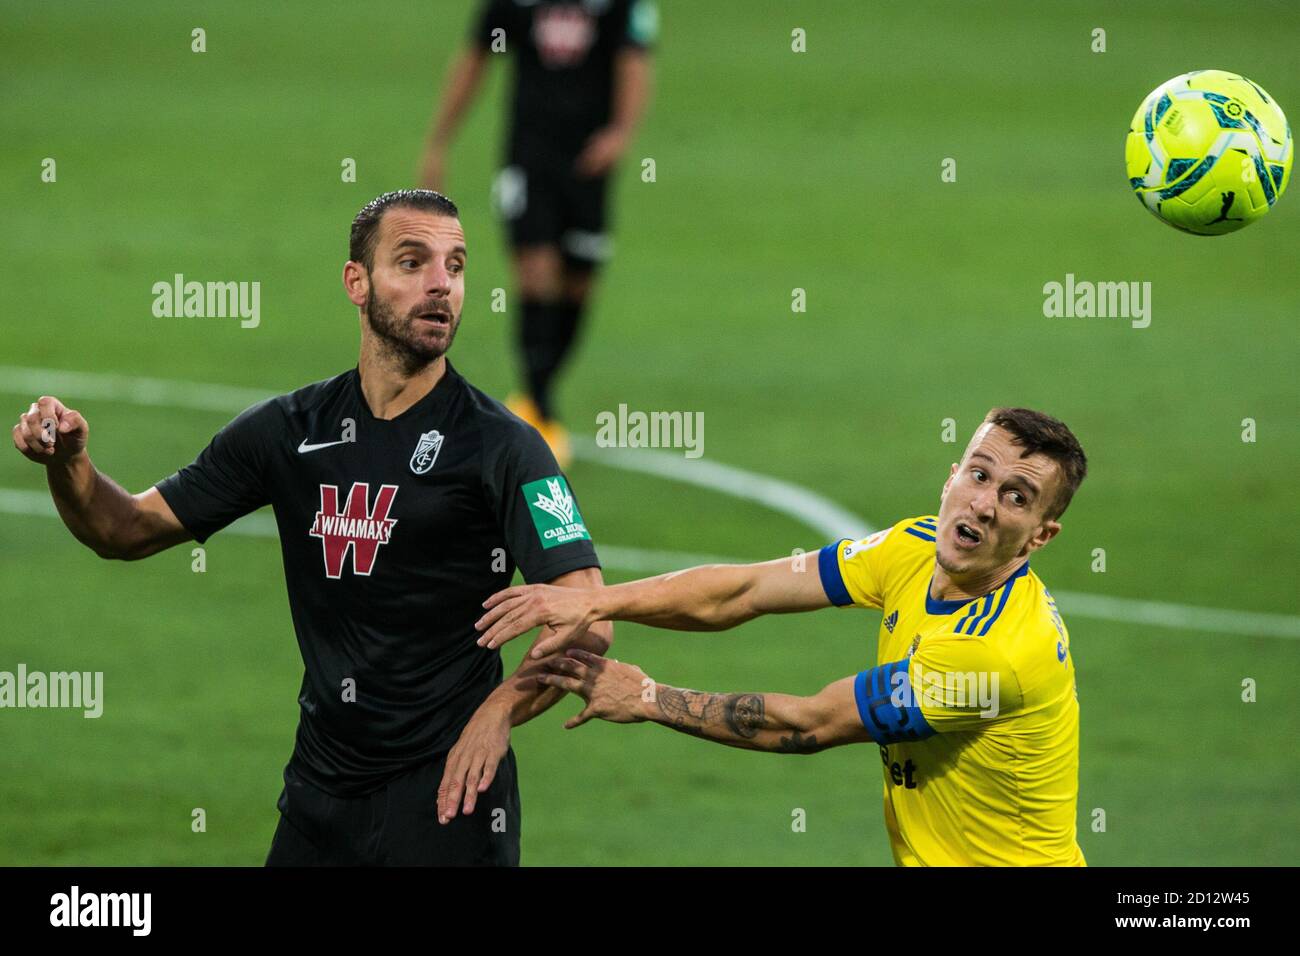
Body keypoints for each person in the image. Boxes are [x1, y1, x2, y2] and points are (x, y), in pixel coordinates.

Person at [11, 189, 611, 866]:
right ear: (357, 282)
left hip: (452, 803)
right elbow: (124, 530)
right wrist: (70, 463)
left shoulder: (502, 447)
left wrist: (500, 711)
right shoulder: (290, 432)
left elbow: (589, 612)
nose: (441, 283)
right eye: (412, 262)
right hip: (319, 801)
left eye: (457, 265)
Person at [474, 409, 1089, 865]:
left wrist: (646, 697)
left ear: (1040, 536)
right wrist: (596, 600)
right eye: (980, 476)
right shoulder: (913, 548)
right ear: (951, 477)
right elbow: (744, 590)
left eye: (1016, 497)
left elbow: (809, 725)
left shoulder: (993, 655)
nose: (983, 505)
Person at [421, 0, 657, 465]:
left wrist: (620, 134)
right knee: (535, 274)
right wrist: (440, 141)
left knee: (578, 285)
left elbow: (634, 59)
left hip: (589, 164)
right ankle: (540, 410)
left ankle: (538, 393)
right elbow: (475, 58)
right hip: (529, 157)